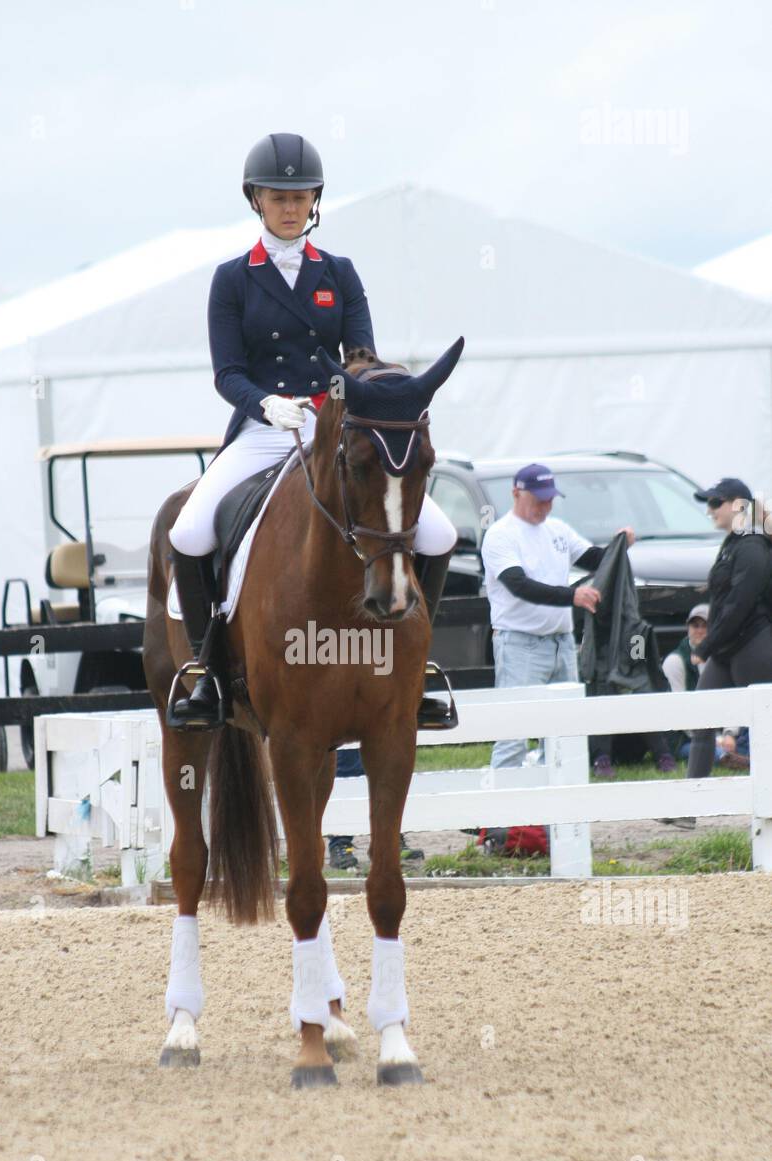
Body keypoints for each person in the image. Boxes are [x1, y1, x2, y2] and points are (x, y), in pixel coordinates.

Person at [167, 132, 458, 728]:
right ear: (256, 201)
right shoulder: (232, 279)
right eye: (278, 197)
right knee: (189, 531)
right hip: (262, 429)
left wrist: (349, 398)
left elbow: (363, 358)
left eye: (300, 197)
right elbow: (227, 372)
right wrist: (266, 404)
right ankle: (205, 674)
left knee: (439, 534)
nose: (290, 207)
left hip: (333, 432)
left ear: (315, 201)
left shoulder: (340, 274)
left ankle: (420, 666)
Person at [481, 463, 634, 769]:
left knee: (565, 733)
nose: (545, 505)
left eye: (550, 499)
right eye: (538, 498)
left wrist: (620, 545)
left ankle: (554, 815)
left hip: (561, 643)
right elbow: (519, 585)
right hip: (520, 644)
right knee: (514, 733)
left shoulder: (558, 530)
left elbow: (596, 559)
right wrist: (572, 596)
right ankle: (500, 815)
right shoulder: (500, 535)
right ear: (516, 493)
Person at [684, 477, 772, 781]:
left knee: (765, 726)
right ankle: (691, 802)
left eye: (715, 503)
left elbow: (739, 605)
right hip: (727, 647)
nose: (710, 510)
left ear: (738, 505)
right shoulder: (732, 543)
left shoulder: (752, 546)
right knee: (702, 718)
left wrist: (706, 645)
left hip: (754, 645)